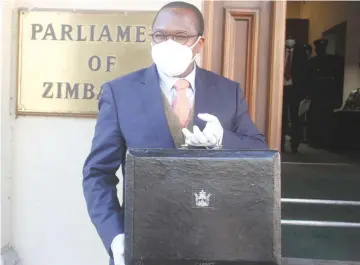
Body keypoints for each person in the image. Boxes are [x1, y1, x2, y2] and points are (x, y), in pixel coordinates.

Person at [82, 2, 267, 265]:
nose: (169, 43)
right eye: (160, 35)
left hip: (215, 246)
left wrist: (223, 140)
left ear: (199, 44)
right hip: (143, 244)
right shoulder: (120, 93)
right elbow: (98, 174)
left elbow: (260, 152)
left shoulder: (228, 92)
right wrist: (115, 236)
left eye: (180, 36)